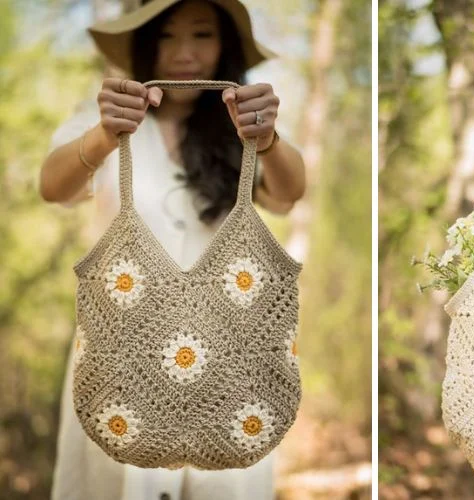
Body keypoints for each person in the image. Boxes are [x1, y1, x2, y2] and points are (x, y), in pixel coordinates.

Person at [38, 0, 305, 498]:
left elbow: (289, 194)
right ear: (144, 44)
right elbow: (53, 188)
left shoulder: (242, 129)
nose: (184, 53)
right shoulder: (101, 120)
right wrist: (103, 134)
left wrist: (266, 140)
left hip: (231, 371)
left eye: (202, 35)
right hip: (120, 369)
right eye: (167, 36)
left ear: (224, 46)